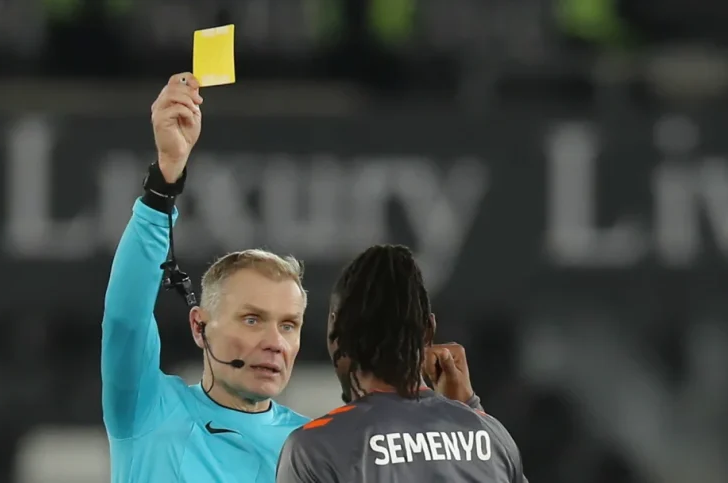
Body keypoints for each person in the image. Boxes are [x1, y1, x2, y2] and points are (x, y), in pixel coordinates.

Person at [102, 72, 486, 483]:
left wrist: (462, 420)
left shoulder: (320, 448)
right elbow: (126, 317)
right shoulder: (149, 411)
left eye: (289, 325)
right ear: (200, 326)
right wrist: (165, 181)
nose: (275, 343)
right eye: (252, 319)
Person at [276, 245, 529, 483]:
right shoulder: (494, 439)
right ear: (429, 330)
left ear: (335, 333)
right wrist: (470, 413)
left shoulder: (314, 448)